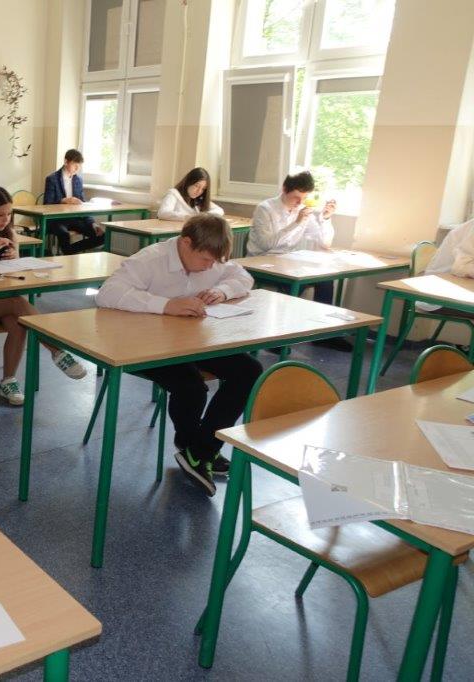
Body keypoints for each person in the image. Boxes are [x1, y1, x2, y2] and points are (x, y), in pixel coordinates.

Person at [96, 214, 260, 497]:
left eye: (214, 261)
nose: (209, 266)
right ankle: (197, 450)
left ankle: (200, 451)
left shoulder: (211, 259)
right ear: (185, 243)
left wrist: (222, 291)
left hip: (190, 341)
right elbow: (107, 293)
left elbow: (243, 277)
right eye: (205, 259)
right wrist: (165, 305)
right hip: (142, 344)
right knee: (191, 387)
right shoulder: (151, 259)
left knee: (249, 370)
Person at [0, 187, 88, 405]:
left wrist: (15, 256)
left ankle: (8, 381)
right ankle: (57, 351)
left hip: (3, 299)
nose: (6, 219)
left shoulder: (9, 233)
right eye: (0, 214)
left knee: (18, 324)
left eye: (9, 214)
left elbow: (14, 272)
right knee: (17, 304)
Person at [247, 170, 346, 350]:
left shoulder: (301, 210)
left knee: (325, 280)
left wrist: (326, 218)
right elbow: (265, 244)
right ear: (285, 189)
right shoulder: (266, 208)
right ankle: (273, 334)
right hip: (261, 262)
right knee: (294, 283)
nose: (300, 203)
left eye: (304, 198)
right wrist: (296, 223)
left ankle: (323, 334)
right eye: (296, 197)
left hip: (286, 261)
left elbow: (324, 242)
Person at [42, 149, 105, 254]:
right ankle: (68, 252)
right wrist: (64, 200)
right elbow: (47, 204)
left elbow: (83, 205)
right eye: (75, 164)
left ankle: (69, 251)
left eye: (79, 165)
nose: (77, 168)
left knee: (102, 236)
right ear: (66, 162)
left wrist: (93, 224)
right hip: (57, 220)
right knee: (64, 235)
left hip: (74, 219)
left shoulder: (78, 180)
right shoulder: (52, 179)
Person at [157, 167, 225, 221]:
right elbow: (163, 213)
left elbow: (219, 210)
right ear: (188, 182)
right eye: (196, 186)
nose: (199, 191)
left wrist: (204, 216)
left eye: (203, 189)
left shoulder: (199, 199)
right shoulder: (173, 193)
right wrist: (189, 217)